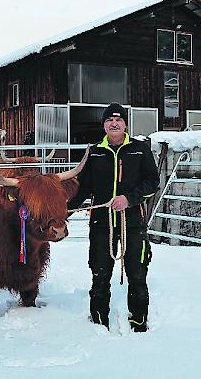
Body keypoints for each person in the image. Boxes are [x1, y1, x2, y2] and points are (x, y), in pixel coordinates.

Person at [68, 103, 159, 332]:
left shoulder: (140, 149)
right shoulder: (95, 152)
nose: (114, 123)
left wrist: (129, 199)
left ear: (125, 124)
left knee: (137, 275)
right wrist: (65, 210)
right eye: (109, 120)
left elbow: (152, 182)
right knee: (99, 275)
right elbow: (83, 187)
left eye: (118, 120)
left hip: (133, 223)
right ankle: (99, 322)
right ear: (104, 125)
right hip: (101, 224)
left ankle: (139, 322)